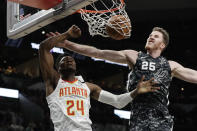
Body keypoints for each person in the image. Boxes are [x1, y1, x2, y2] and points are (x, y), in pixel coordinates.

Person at [49, 25, 197, 131]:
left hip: (161, 120)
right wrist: (68, 44)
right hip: (138, 119)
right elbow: (98, 53)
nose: (151, 36)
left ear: (162, 45)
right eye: (150, 35)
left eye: (156, 36)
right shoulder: (134, 56)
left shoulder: (170, 65)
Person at [38, 25, 159, 131]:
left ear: (76, 66)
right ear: (58, 69)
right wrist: (67, 34)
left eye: (71, 59)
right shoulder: (53, 81)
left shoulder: (88, 87)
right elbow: (43, 47)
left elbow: (117, 102)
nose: (69, 60)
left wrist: (136, 91)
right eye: (64, 61)